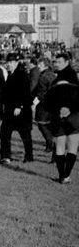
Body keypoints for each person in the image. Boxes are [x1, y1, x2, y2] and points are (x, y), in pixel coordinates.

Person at [44, 53, 79, 183]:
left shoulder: (56, 81)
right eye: (55, 62)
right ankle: (66, 176)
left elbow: (47, 101)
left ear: (67, 62)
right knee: (72, 146)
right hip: (73, 116)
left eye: (59, 62)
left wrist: (59, 110)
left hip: (59, 116)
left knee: (60, 146)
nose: (56, 64)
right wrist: (70, 109)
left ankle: (62, 176)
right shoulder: (74, 78)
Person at [0, 53, 34, 164]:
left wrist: (20, 106)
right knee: (4, 133)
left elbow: (25, 92)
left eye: (11, 62)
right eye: (7, 62)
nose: (8, 65)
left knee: (25, 134)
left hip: (21, 111)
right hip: (10, 110)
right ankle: (5, 156)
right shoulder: (11, 74)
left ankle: (29, 156)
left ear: (16, 62)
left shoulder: (21, 74)